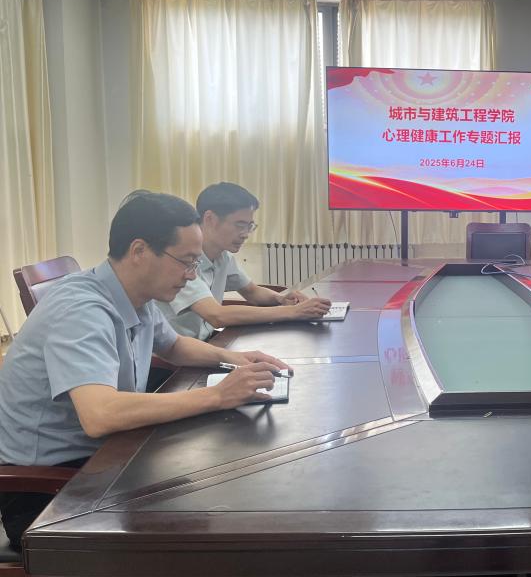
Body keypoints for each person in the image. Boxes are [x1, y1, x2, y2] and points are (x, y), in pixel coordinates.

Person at [0, 192, 290, 556]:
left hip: (101, 459)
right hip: (48, 492)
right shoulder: (82, 309)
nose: (191, 275)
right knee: (215, 517)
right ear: (139, 250)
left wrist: (235, 359)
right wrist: (217, 395)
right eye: (185, 262)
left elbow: (174, 346)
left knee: (222, 481)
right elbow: (100, 414)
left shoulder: (135, 294)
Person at [159, 182, 331, 340]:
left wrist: (281, 299)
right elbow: (216, 315)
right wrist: (292, 312)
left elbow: (252, 292)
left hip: (207, 342)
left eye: (250, 226)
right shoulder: (183, 261)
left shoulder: (223, 257)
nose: (245, 234)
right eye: (240, 225)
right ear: (210, 219)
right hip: (175, 356)